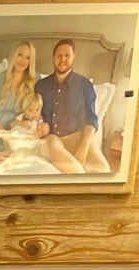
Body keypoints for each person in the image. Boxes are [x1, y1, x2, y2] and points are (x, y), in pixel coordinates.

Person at [34, 38, 111, 174]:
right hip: (52, 139)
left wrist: (84, 146)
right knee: (53, 144)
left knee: (102, 169)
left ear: (73, 57)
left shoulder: (84, 84)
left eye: (67, 55)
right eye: (59, 55)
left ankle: (78, 172)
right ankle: (78, 176)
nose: (62, 59)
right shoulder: (41, 85)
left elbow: (91, 118)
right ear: (53, 57)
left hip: (77, 138)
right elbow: (34, 113)